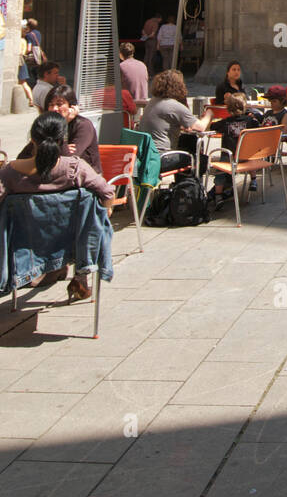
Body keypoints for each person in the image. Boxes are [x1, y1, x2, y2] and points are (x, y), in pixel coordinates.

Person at [0, 112, 114, 299]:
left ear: (32, 140)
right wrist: (105, 210)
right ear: (62, 140)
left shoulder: (11, 172)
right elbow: (107, 193)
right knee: (95, 211)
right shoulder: (75, 168)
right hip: (73, 244)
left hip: (24, 247)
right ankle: (81, 274)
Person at [139, 69, 212, 172]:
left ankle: (184, 182)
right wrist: (209, 113)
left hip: (147, 156)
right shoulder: (174, 105)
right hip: (162, 158)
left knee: (186, 143)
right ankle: (189, 183)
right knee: (201, 159)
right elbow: (201, 127)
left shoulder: (153, 101)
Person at [119, 41, 149, 106]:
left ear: (120, 54)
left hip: (129, 103)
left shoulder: (121, 66)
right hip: (144, 101)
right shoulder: (142, 64)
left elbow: (117, 86)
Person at [16, 22, 35, 106]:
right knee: (22, 83)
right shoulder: (23, 40)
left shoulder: (21, 41)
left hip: (20, 62)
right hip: (22, 61)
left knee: (23, 83)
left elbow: (20, 51)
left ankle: (31, 99)